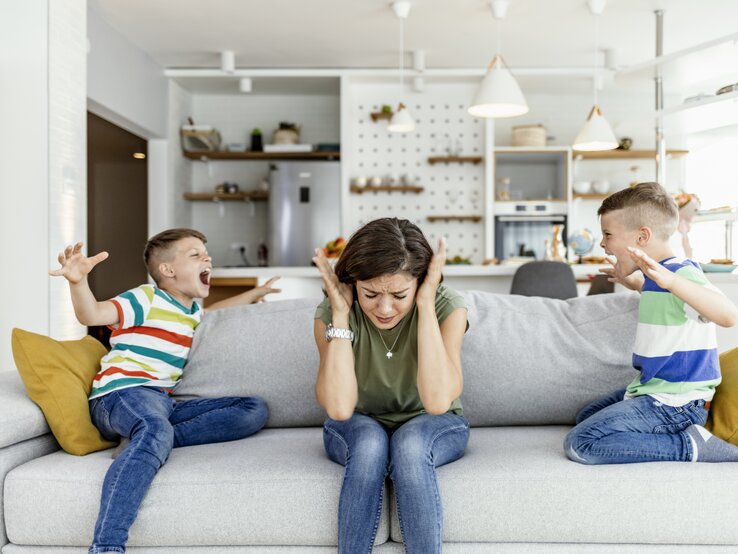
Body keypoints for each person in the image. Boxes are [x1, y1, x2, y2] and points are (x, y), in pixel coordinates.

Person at [50, 228, 280, 554]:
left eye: (206, 253)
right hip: (121, 393)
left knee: (253, 409)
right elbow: (93, 314)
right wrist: (77, 282)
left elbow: (215, 312)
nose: (207, 258)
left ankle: (151, 438)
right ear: (167, 270)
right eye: (195, 254)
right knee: (155, 426)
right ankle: (107, 546)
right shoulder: (147, 298)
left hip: (162, 403)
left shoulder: (190, 313)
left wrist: (254, 294)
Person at [312, 218, 469, 554]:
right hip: (357, 421)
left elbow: (438, 401)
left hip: (434, 421)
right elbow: (339, 408)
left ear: (421, 282)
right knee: (369, 443)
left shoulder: (446, 306)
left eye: (399, 295)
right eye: (370, 294)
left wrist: (425, 306)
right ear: (354, 284)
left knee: (410, 446)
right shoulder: (333, 310)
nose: (384, 309)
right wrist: (341, 316)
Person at [564, 182, 738, 465]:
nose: (603, 244)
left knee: (580, 442)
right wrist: (637, 283)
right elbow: (672, 306)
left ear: (642, 236)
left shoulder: (681, 273)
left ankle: (689, 445)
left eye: (608, 234)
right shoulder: (659, 277)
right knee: (585, 416)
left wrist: (670, 281)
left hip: (677, 403)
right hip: (652, 391)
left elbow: (728, 315)